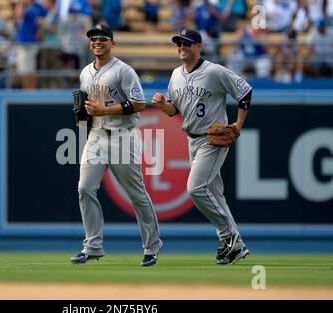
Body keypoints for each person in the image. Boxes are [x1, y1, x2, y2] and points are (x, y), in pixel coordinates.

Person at [151, 29, 252, 265]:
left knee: (196, 188)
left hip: (212, 138)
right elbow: (174, 110)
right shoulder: (175, 74)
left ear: (199, 46)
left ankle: (232, 238)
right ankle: (231, 245)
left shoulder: (214, 71)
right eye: (179, 43)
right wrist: (163, 104)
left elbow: (245, 91)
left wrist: (238, 123)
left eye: (186, 43)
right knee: (215, 193)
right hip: (191, 139)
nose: (182, 47)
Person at [70, 24, 163, 267]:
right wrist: (82, 115)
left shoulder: (124, 71)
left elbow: (139, 104)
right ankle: (93, 246)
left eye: (102, 38)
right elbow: (85, 108)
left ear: (112, 43)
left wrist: (105, 109)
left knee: (136, 194)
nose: (97, 42)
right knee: (85, 188)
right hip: (96, 135)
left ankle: (152, 247)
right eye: (93, 38)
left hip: (122, 136)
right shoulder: (85, 72)